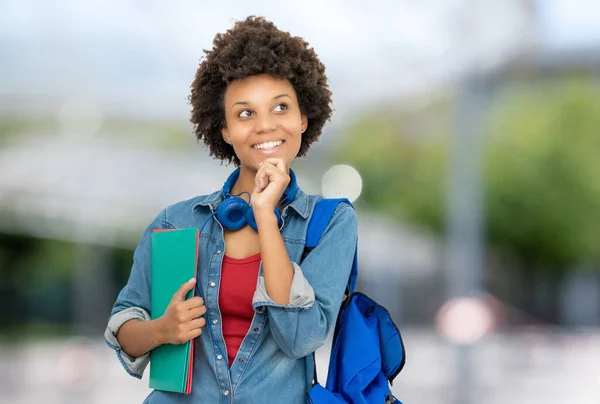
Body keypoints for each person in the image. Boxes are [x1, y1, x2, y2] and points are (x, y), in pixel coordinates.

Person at [104, 16, 357, 404]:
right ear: (223, 129)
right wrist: (162, 330)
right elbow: (124, 324)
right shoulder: (176, 221)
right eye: (244, 113)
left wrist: (266, 215)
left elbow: (300, 338)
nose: (264, 126)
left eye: (280, 108)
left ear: (303, 119)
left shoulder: (330, 223)